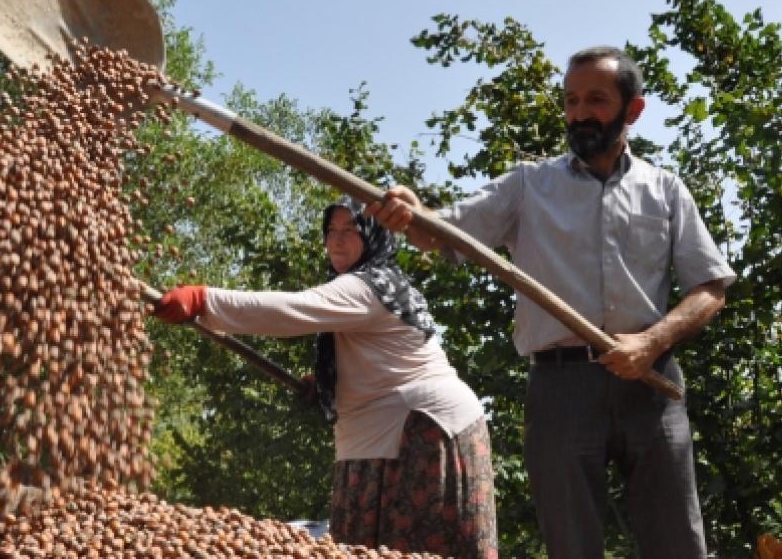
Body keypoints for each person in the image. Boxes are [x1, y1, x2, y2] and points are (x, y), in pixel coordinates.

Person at [367, 46, 736, 558]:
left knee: (678, 543)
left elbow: (710, 288)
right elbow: (439, 232)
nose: (580, 113)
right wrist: (413, 213)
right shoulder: (528, 185)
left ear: (633, 110)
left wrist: (652, 342)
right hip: (561, 389)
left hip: (651, 384)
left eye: (596, 100)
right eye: (571, 100)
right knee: (571, 547)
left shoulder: (665, 190)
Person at [153, 196, 498, 558]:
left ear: (373, 235)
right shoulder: (377, 284)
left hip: (418, 433)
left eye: (350, 230)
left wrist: (204, 300)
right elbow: (381, 358)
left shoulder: (368, 286)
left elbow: (290, 311)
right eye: (331, 230)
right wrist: (331, 386)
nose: (337, 240)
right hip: (395, 432)